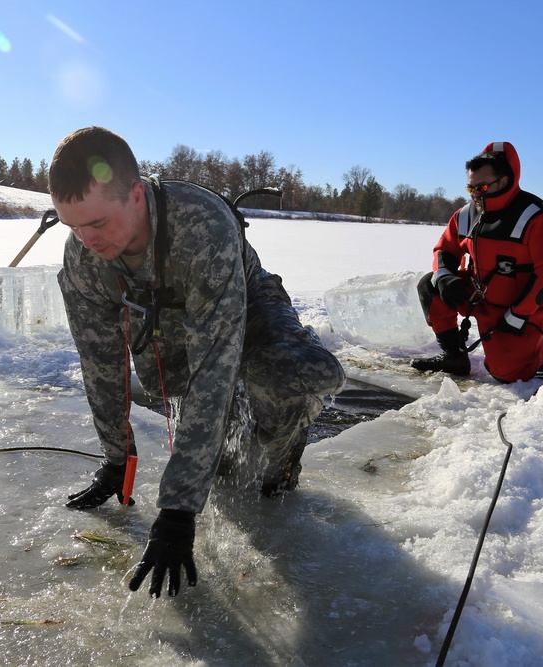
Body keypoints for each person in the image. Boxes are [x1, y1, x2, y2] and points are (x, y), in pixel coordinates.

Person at [50, 126, 346, 598]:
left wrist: (177, 510)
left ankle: (286, 442)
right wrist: (115, 456)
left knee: (287, 382)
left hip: (246, 309)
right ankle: (232, 435)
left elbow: (215, 365)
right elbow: (100, 361)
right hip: (169, 317)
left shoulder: (202, 227)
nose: (86, 241)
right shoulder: (84, 258)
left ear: (136, 195)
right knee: (221, 460)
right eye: (73, 227)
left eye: (98, 224)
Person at [411, 141, 543, 383]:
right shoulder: (465, 214)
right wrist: (444, 277)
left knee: (506, 374)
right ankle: (453, 356)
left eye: (481, 187)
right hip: (478, 294)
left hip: (520, 304)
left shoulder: (537, 218)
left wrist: (518, 315)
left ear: (504, 181)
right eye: (470, 188)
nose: (475, 195)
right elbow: (445, 249)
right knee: (430, 285)